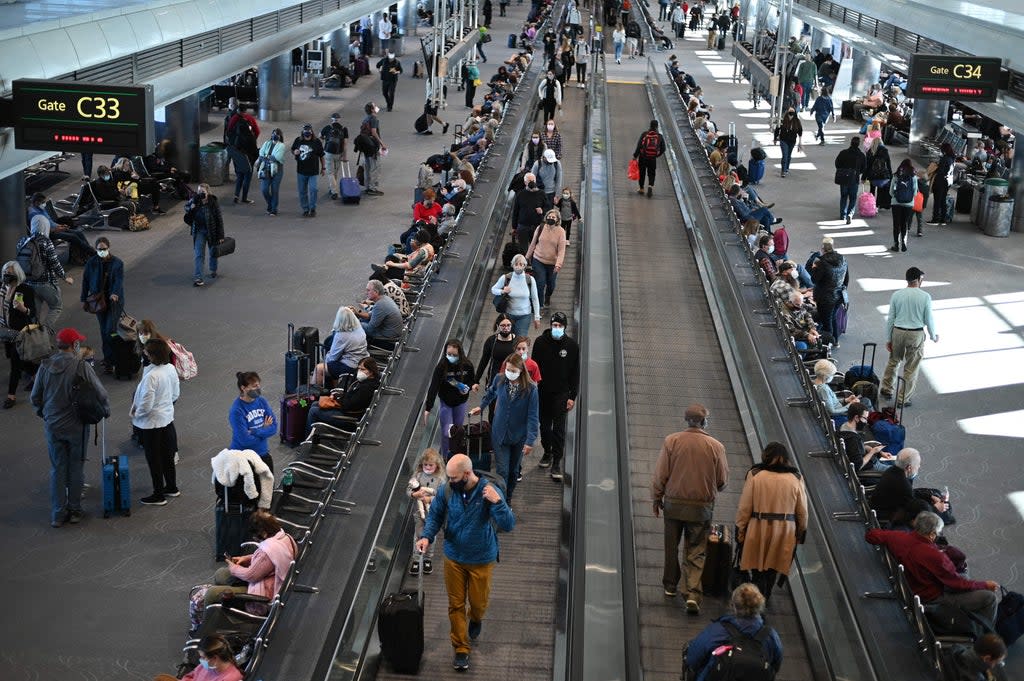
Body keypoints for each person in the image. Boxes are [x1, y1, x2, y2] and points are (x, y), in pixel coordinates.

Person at [416, 453, 516, 671]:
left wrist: (498, 502)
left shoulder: (489, 492)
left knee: (478, 604)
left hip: (481, 558)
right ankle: (461, 648)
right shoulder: (447, 490)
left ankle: (476, 618)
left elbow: (508, 525)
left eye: (453, 477)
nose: (449, 481)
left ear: (467, 474)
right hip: (453, 557)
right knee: (456, 604)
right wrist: (426, 536)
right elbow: (435, 515)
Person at [651, 403, 728, 614]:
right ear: (704, 422)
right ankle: (692, 593)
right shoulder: (716, 446)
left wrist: (657, 498)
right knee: (696, 549)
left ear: (687, 420)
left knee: (671, 546)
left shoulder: (672, 441)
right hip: (701, 507)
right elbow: (722, 480)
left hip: (674, 504)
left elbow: (660, 474)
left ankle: (670, 585)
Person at [31, 327, 109, 527]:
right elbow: (101, 393)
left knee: (58, 468)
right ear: (74, 345)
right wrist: (104, 410)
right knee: (75, 467)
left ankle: (57, 514)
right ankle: (74, 510)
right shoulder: (80, 365)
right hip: (76, 426)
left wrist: (44, 414)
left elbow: (35, 397)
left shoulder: (45, 366)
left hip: (53, 425)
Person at [866, 512, 998, 625]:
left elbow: (871, 535)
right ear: (932, 534)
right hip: (931, 597)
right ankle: (986, 635)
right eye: (938, 533)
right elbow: (958, 584)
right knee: (989, 597)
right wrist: (985, 584)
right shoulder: (934, 556)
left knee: (964, 577)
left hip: (909, 585)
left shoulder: (897, 536)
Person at [735, 442, 808, 600]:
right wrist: (801, 532)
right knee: (773, 567)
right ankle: (765, 596)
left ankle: (755, 598)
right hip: (785, 531)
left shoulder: (755, 474)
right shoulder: (796, 478)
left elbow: (744, 507)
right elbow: (802, 511)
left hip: (758, 526)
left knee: (757, 568)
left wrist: (740, 530)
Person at [683, 583, 783, 681]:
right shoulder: (770, 635)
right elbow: (776, 665)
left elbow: (692, 659)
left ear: (733, 606)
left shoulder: (717, 631)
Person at [471, 353, 539, 498]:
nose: (510, 373)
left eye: (513, 371)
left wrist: (530, 440)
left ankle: (508, 497)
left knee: (513, 471)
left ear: (521, 371)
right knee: (502, 471)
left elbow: (533, 416)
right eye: (508, 370)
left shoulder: (531, 389)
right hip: (499, 434)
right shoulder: (499, 379)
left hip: (519, 437)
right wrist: (481, 406)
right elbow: (490, 393)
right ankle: (501, 501)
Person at [203, 510, 298, 608]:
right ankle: (225, 607)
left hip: (264, 592)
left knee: (211, 594)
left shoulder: (268, 550)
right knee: (221, 574)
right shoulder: (286, 538)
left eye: (255, 535)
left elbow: (250, 575)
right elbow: (271, 558)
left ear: (263, 533)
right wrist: (247, 558)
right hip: (269, 580)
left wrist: (233, 567)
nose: (254, 538)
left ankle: (216, 617)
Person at [131, 339, 181, 506]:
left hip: (151, 423)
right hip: (167, 419)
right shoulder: (170, 369)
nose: (144, 353)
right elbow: (175, 394)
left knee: (154, 459)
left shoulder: (152, 376)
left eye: (147, 352)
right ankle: (172, 487)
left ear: (153, 355)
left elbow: (146, 403)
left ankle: (158, 495)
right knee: (167, 456)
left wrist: (136, 414)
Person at [531, 312, 580, 480]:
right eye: (554, 325)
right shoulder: (540, 343)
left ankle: (557, 462)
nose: (556, 328)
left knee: (558, 429)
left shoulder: (572, 346)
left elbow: (575, 373)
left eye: (560, 326)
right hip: (543, 392)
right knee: (544, 427)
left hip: (562, 393)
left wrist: (572, 396)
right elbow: (533, 368)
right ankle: (547, 451)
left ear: (565, 327)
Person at [881, 266, 937, 407]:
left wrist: (889, 338)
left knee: (894, 361)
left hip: (898, 332)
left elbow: (891, 319)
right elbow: (929, 319)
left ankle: (887, 389)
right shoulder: (925, 297)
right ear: (918, 279)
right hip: (915, 334)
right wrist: (933, 335)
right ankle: (903, 398)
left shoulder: (897, 295)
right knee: (911, 367)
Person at [16, 215, 73, 329]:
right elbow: (54, 262)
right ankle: (44, 333)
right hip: (45, 283)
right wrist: (64, 276)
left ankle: (35, 339)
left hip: (29, 283)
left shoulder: (23, 241)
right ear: (45, 226)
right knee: (56, 307)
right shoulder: (46, 242)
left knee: (34, 313)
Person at [424, 339, 478, 457]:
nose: (451, 357)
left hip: (460, 402)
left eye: (454, 355)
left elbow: (472, 380)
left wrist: (468, 387)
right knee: (446, 432)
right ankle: (445, 458)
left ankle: (455, 456)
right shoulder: (441, 366)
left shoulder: (467, 365)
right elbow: (434, 386)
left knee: (457, 432)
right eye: (449, 354)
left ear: (460, 354)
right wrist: (428, 408)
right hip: (446, 402)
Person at [79, 237, 124, 374]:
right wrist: (84, 298)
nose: (102, 251)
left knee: (109, 330)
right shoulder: (91, 263)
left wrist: (115, 293)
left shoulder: (117, 263)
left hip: (114, 302)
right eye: (99, 249)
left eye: (104, 249)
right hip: (99, 302)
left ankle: (113, 357)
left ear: (108, 248)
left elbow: (118, 280)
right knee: (104, 330)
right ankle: (109, 359)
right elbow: (85, 281)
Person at [305, 356, 381, 433]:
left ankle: (309, 438)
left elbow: (348, 405)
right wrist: (339, 397)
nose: (359, 371)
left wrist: (337, 398)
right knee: (315, 403)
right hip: (348, 411)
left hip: (350, 418)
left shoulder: (367, 388)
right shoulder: (367, 382)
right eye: (359, 368)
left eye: (362, 369)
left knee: (313, 411)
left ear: (371, 372)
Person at [1, 261, 37, 409]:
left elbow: (32, 312)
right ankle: (36, 375)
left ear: (17, 274)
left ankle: (11, 395)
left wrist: (23, 309)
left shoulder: (25, 290)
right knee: (16, 358)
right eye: (5, 273)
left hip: (19, 332)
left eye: (9, 273)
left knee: (15, 363)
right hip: (5, 331)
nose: (7, 276)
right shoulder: (2, 289)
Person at [229, 371, 278, 473]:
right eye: (254, 386)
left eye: (258, 385)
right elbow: (245, 440)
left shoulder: (262, 401)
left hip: (262, 452)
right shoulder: (237, 410)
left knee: (268, 486)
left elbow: (274, 427)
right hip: (243, 456)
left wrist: (256, 431)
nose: (258, 388)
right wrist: (264, 429)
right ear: (243, 388)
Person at [408, 448, 447, 575]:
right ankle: (416, 558)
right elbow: (409, 490)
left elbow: (444, 496)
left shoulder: (440, 480)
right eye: (425, 465)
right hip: (419, 513)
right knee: (418, 534)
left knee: (431, 535)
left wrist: (430, 498)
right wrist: (415, 494)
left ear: (437, 466)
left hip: (434, 513)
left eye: (431, 465)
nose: (428, 467)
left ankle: (428, 558)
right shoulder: (418, 476)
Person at [184, 184, 225, 287]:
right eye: (199, 192)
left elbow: (219, 219)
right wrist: (191, 207)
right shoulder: (195, 201)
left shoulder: (213, 202)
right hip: (199, 231)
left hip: (212, 231)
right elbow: (186, 211)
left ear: (208, 192)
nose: (201, 194)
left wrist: (221, 236)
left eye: (203, 192)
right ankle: (198, 278)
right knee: (199, 255)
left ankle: (213, 269)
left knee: (213, 252)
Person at [490, 254, 541, 338]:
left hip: (525, 315)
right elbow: (493, 289)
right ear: (512, 265)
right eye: (516, 264)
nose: (518, 267)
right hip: (509, 315)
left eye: (521, 264)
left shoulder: (530, 280)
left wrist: (537, 317)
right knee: (508, 339)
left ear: (525, 266)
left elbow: (535, 299)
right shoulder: (506, 278)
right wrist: (502, 291)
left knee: (520, 339)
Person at [315, 307, 368, 385]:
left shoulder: (341, 335)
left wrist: (326, 359)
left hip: (351, 366)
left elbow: (332, 357)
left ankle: (317, 393)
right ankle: (336, 386)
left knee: (319, 368)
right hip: (362, 359)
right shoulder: (359, 327)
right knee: (333, 364)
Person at [526, 209, 567, 308]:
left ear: (557, 220)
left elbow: (561, 250)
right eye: (549, 216)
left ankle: (547, 296)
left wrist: (558, 264)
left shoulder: (561, 232)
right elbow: (533, 243)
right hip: (538, 260)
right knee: (540, 283)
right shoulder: (540, 228)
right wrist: (526, 257)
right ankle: (539, 306)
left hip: (552, 263)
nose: (551, 218)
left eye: (553, 217)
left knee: (551, 285)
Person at [810, 236, 848, 342]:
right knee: (833, 317)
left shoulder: (821, 263)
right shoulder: (843, 259)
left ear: (823, 248)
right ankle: (835, 340)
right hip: (838, 295)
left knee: (826, 323)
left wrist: (814, 268)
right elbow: (846, 279)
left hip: (825, 298)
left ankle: (829, 344)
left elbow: (814, 280)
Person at [353, 280, 403, 348]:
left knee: (355, 325)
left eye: (368, 290)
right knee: (361, 320)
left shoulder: (380, 305)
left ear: (376, 292)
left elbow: (370, 329)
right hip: (393, 330)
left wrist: (353, 322)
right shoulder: (385, 299)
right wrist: (356, 313)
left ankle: (358, 349)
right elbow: (370, 315)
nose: (366, 293)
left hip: (389, 335)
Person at [174, 634, 243, 681]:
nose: (201, 660)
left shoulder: (231, 678)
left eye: (203, 657)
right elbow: (191, 676)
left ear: (215, 658)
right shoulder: (209, 665)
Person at [291, 124, 325, 217]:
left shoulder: (316, 142)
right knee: (302, 191)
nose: (307, 132)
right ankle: (305, 209)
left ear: (311, 131)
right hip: (301, 171)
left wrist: (323, 168)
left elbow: (321, 155)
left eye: (308, 130)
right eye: (305, 130)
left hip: (313, 171)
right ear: (303, 131)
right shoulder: (298, 140)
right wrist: (295, 152)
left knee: (314, 189)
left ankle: (313, 208)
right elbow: (293, 149)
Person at [942, 634, 1008, 681]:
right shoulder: (977, 678)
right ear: (987, 658)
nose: (995, 665)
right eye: (996, 662)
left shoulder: (956, 648)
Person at [835, 136, 867, 224]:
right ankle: (850, 214)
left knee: (844, 196)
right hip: (854, 179)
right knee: (853, 197)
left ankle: (842, 215)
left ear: (851, 143)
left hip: (844, 179)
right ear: (858, 144)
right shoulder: (861, 155)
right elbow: (864, 168)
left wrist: (843, 171)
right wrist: (858, 173)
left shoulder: (843, 153)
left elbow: (837, 164)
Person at [889, 159, 918, 252]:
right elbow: (915, 192)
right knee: (904, 224)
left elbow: (891, 192)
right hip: (908, 204)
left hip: (896, 203)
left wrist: (896, 196)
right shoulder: (913, 177)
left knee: (896, 224)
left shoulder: (896, 176)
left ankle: (896, 245)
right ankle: (904, 242)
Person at [255, 128, 286, 216]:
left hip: (277, 170)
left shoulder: (282, 146)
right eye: (273, 134)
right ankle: (270, 204)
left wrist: (266, 157)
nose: (274, 135)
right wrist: (266, 157)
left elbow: (277, 157)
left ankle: (273, 209)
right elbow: (261, 153)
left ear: (280, 136)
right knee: (264, 189)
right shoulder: (267, 143)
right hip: (266, 169)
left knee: (274, 190)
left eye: (277, 134)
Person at [359, 102, 387, 196]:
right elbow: (374, 132)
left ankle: (367, 187)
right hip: (372, 146)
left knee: (367, 166)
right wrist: (382, 143)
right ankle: (373, 188)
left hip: (365, 145)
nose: (376, 107)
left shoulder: (366, 118)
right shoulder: (374, 119)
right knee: (375, 167)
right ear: (372, 109)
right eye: (375, 106)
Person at [633, 120, 667, 197]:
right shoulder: (660, 136)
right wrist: (656, 155)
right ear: (657, 126)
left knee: (642, 172)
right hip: (652, 158)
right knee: (651, 173)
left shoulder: (644, 134)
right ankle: (650, 186)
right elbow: (663, 149)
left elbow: (639, 146)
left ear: (650, 125)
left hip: (643, 156)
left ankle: (641, 189)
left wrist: (635, 156)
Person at [320, 113, 349, 201]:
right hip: (339, 153)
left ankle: (334, 191)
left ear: (332, 119)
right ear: (339, 119)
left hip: (328, 153)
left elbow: (320, 136)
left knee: (330, 173)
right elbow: (345, 144)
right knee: (335, 172)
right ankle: (332, 189)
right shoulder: (344, 129)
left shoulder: (327, 128)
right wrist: (345, 156)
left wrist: (325, 139)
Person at [927, 142, 957, 226]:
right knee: (943, 200)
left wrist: (935, 168)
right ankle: (943, 219)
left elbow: (940, 171)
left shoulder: (944, 159)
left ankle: (935, 219)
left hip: (940, 181)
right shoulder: (952, 158)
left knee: (937, 200)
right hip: (948, 181)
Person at [774, 108, 803, 177]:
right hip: (783, 140)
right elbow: (777, 129)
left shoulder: (797, 121)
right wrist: (775, 138)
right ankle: (783, 171)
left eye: (792, 113)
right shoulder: (782, 120)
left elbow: (800, 132)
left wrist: (800, 142)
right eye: (790, 112)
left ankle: (786, 168)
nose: (791, 114)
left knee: (788, 155)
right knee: (785, 155)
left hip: (792, 141)